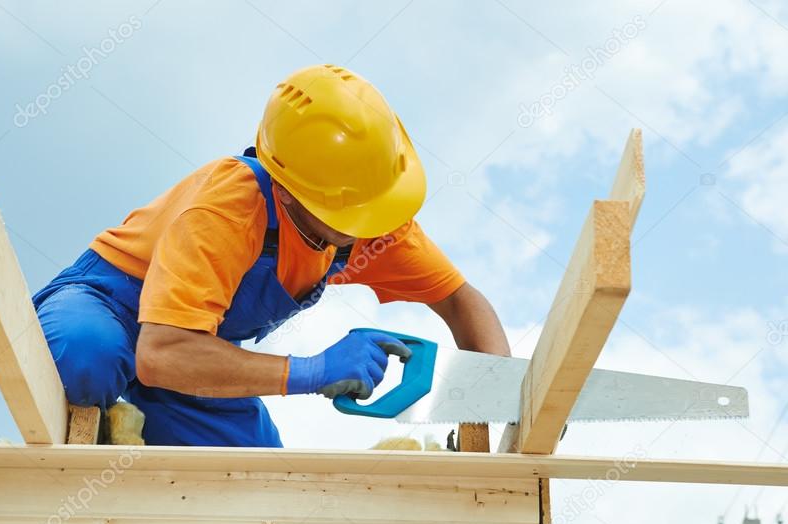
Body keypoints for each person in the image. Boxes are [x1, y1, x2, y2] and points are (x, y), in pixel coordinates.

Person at [32, 64, 510, 447]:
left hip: (198, 347)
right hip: (113, 306)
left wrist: (502, 392)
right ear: (289, 194)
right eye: (352, 213)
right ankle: (104, 451)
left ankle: (141, 432)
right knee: (87, 354)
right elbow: (161, 352)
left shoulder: (376, 222)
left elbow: (461, 301)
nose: (371, 227)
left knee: (261, 495)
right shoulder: (228, 210)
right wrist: (312, 372)